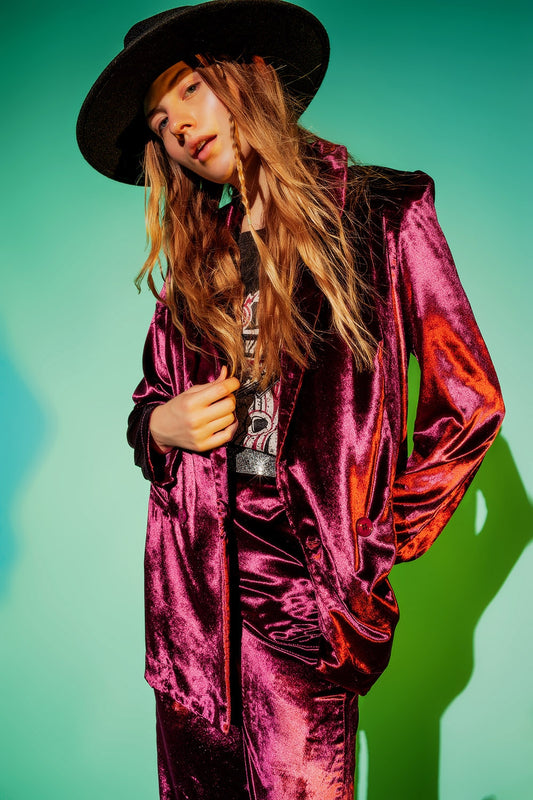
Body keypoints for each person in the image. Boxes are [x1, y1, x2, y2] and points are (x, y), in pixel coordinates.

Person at [76, 1, 505, 798]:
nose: (179, 127)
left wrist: (370, 542)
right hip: (193, 595)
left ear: (251, 76)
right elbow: (147, 405)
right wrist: (160, 426)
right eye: (161, 121)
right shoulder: (193, 270)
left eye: (190, 90)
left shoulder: (383, 212)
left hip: (302, 589)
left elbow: (470, 402)